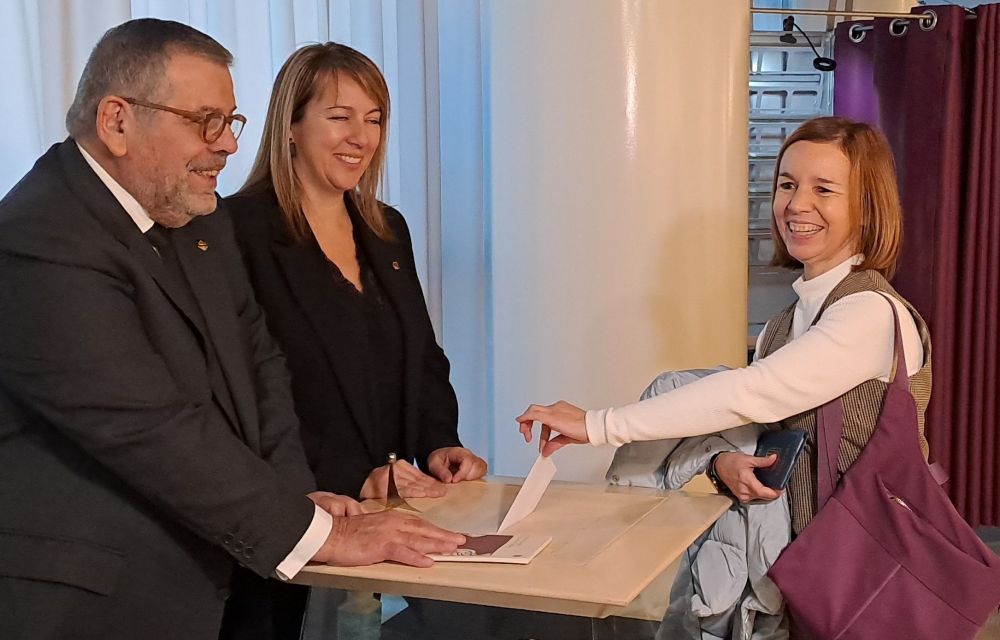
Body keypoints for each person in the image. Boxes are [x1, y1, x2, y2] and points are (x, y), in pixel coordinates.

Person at [0, 20, 463, 640]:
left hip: (213, 575)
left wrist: (297, 494)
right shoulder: (38, 240)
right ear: (116, 121)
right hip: (92, 604)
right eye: (205, 121)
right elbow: (151, 427)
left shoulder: (198, 220)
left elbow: (258, 366)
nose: (225, 144)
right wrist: (320, 532)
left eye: (230, 122)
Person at [517, 115, 931, 539]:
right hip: (807, 553)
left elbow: (751, 394)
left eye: (823, 189)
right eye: (787, 185)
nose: (797, 204)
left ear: (866, 206)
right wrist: (723, 464)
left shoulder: (869, 313)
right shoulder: (784, 324)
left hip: (870, 551)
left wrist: (597, 425)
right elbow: (767, 436)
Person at [221, 42, 487, 638]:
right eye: (339, 116)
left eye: (374, 119)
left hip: (387, 516)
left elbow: (421, 357)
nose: (360, 138)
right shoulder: (235, 230)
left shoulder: (387, 228)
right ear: (290, 126)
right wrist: (351, 474)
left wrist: (439, 443)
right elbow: (246, 393)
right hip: (296, 513)